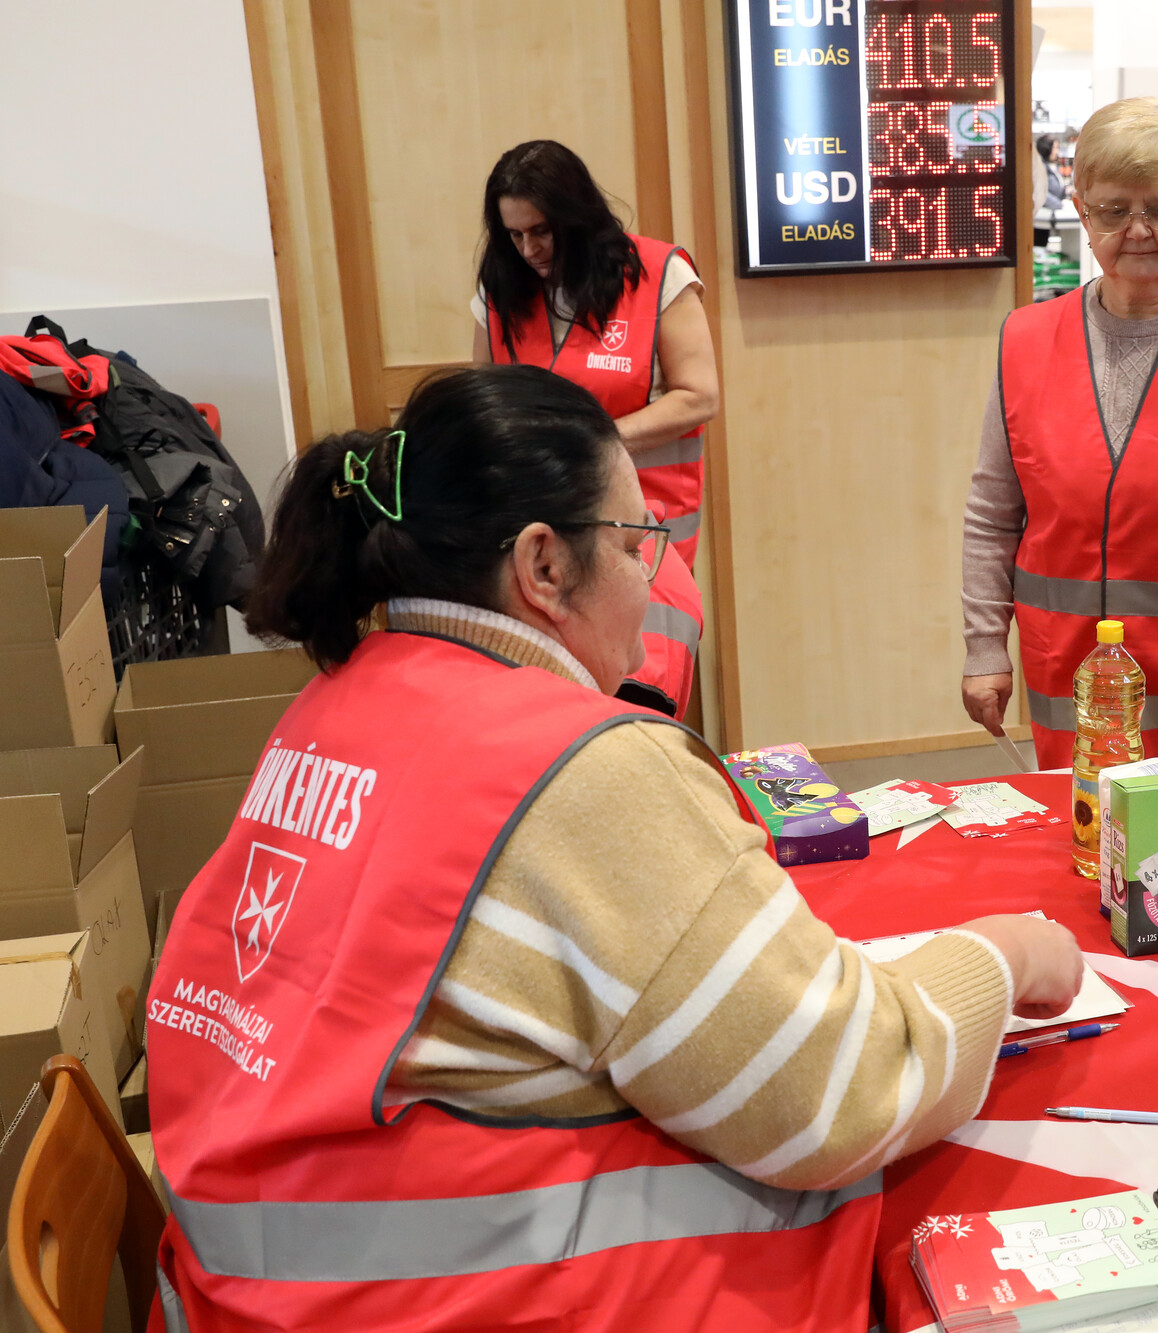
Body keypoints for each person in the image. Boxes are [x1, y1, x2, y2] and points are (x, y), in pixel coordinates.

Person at [145, 365, 1084, 1332]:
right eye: (640, 543)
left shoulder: (336, 705)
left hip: (256, 1288)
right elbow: (834, 1094)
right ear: (544, 567)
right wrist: (1007, 956)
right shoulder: (577, 768)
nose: (657, 578)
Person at [961, 98, 1158, 771]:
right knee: (1076, 853)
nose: (1137, 230)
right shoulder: (1025, 340)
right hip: (1068, 680)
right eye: (1113, 210)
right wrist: (985, 647)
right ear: (1079, 207)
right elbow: (992, 516)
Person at [474, 140, 713, 717]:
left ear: (577, 218)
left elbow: (698, 396)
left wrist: (588, 440)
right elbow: (487, 406)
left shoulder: (658, 274)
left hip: (645, 541)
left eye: (542, 231)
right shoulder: (501, 289)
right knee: (560, 707)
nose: (529, 249)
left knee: (639, 700)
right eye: (514, 234)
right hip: (542, 545)